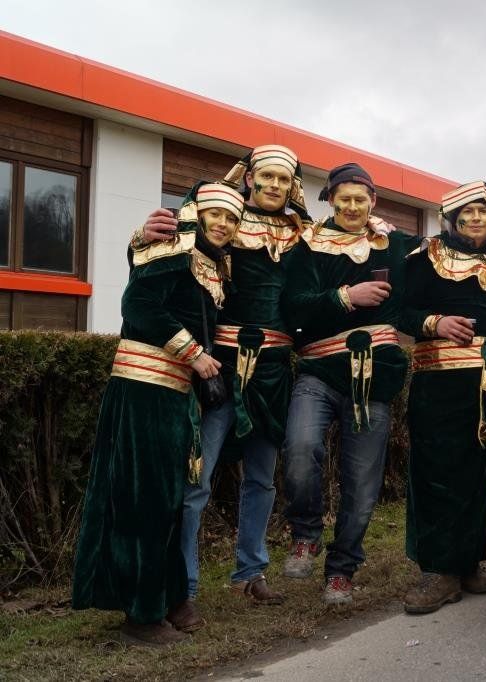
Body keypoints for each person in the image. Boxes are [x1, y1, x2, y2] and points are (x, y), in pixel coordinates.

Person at [136, 145, 311, 615]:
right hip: (220, 368)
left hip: (274, 372)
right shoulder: (219, 214)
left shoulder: (302, 230)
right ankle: (185, 587)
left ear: (292, 185)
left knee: (263, 480)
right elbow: (165, 259)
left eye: (284, 179)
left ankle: (251, 572)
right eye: (266, 176)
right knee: (197, 479)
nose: (274, 185)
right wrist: (142, 234)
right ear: (249, 177)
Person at [74, 182, 244, 645]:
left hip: (173, 394)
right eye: (215, 214)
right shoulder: (174, 247)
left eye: (231, 218)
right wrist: (193, 353)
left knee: (167, 500)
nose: (223, 224)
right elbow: (138, 304)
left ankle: (167, 599)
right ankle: (142, 614)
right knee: (146, 501)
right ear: (196, 214)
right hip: (143, 390)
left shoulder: (211, 262)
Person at [280, 163, 419, 604]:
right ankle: (305, 534)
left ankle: (341, 571)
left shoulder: (395, 245)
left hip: (374, 381)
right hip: (319, 371)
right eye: (345, 199)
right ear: (331, 200)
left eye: (361, 199)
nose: (354, 206)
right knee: (300, 448)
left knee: (361, 484)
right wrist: (346, 297)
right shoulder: (307, 245)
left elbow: (451, 252)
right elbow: (293, 308)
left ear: (373, 201)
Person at [398, 181, 486, 613]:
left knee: (478, 471)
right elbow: (400, 310)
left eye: (481, 211)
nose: (474, 218)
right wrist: (434, 323)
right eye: (465, 212)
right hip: (437, 382)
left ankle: (468, 560)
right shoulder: (425, 258)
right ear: (450, 220)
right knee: (437, 472)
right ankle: (438, 570)